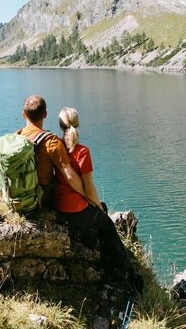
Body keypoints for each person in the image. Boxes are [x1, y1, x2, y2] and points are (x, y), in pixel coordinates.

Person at [54, 106, 142, 293]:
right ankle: (120, 272)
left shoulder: (56, 147)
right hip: (76, 209)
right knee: (107, 224)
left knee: (101, 210)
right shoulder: (82, 152)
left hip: (59, 205)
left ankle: (92, 243)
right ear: (78, 125)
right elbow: (89, 189)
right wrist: (99, 207)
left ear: (60, 126)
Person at [17, 95, 86, 207]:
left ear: (23, 115)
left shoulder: (18, 136)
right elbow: (69, 176)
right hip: (40, 199)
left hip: (16, 197)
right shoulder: (51, 142)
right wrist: (86, 195)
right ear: (45, 114)